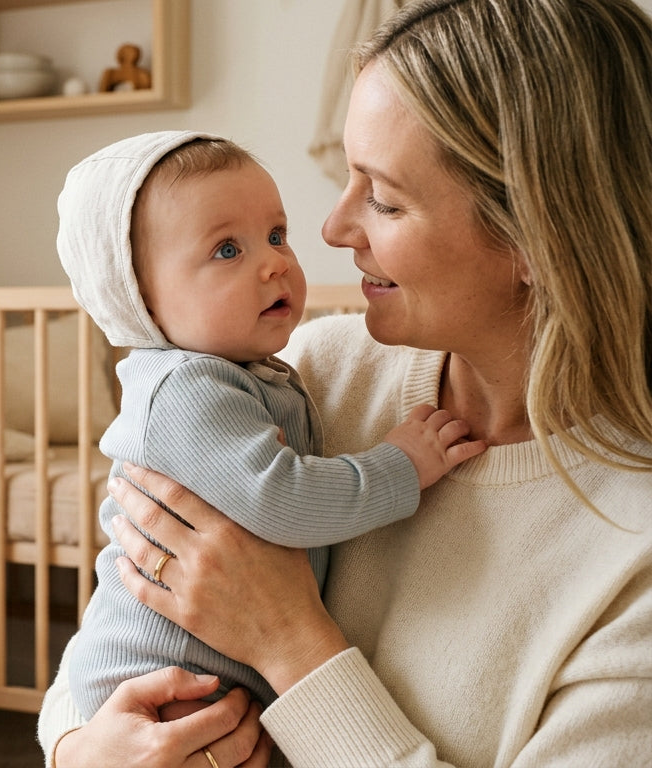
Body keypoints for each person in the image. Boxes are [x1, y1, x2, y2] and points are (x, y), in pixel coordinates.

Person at [38, 1, 652, 766]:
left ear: (539, 236)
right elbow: (116, 626)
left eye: (385, 198)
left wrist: (290, 641)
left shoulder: (632, 558)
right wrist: (80, 750)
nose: (330, 230)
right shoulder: (305, 375)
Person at [54, 130, 484, 719]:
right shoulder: (186, 390)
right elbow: (283, 499)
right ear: (144, 301)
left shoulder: (252, 375)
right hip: (159, 683)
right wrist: (400, 466)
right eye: (227, 250)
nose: (276, 262)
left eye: (276, 235)